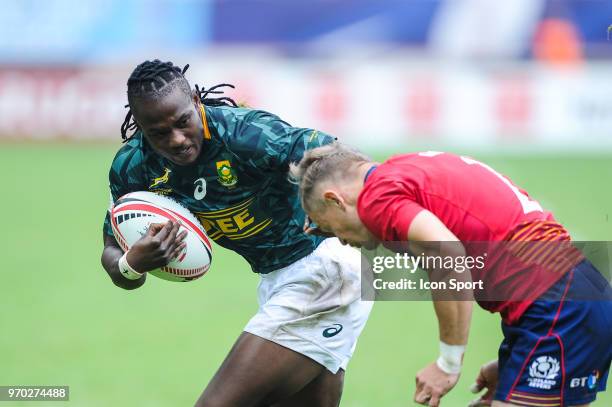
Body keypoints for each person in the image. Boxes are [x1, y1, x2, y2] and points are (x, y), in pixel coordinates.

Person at [100, 60, 372, 407]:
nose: (178, 139)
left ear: (197, 101)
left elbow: (335, 154)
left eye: (183, 121)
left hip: (326, 269)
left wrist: (402, 216)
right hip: (278, 281)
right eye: (159, 133)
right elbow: (113, 254)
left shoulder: (245, 134)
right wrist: (131, 263)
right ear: (139, 127)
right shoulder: (134, 168)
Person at [290, 144, 612, 407]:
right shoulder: (403, 170)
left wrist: (448, 362)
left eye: (328, 226)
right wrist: (514, 364)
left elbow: (448, 255)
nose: (340, 239)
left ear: (335, 199)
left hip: (557, 309)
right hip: (575, 299)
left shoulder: (377, 198)